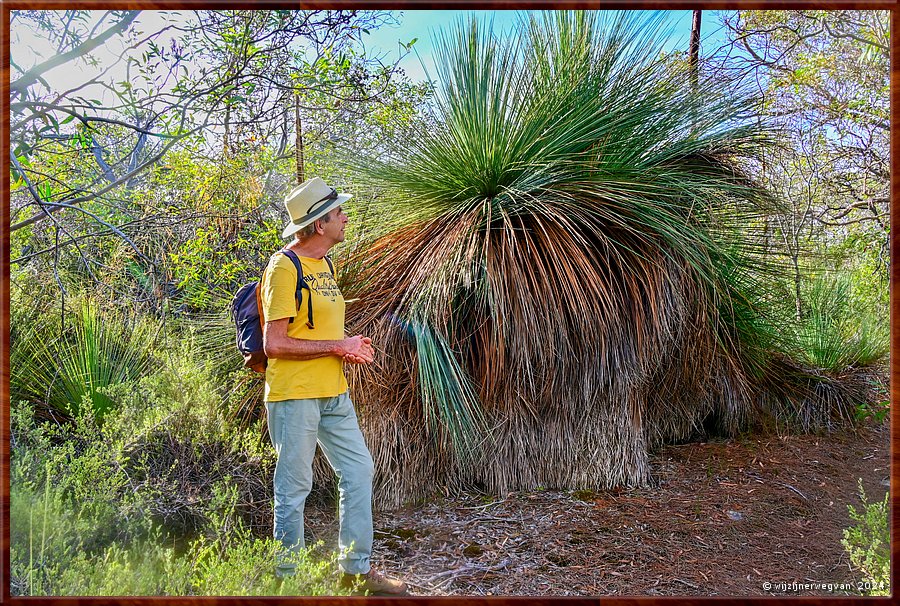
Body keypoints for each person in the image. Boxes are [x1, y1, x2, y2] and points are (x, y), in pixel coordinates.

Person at [261, 176, 408, 596]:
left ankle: (355, 571)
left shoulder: (325, 264)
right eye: (339, 212)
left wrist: (348, 346)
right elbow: (275, 343)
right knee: (293, 489)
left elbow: (320, 326)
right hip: (294, 395)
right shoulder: (283, 267)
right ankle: (290, 582)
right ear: (320, 223)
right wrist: (337, 344)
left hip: (332, 391)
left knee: (359, 469)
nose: (346, 217)